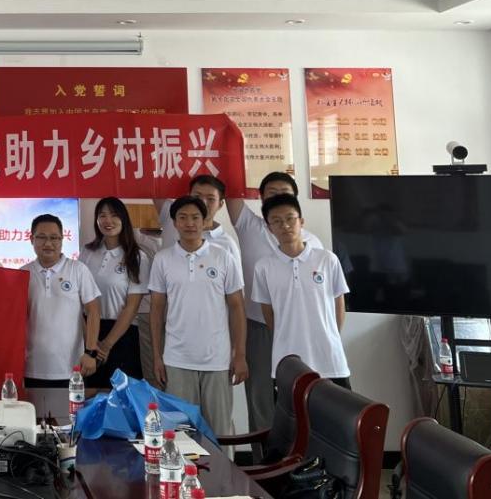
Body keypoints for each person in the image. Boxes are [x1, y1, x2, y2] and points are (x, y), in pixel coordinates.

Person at [225, 171, 324, 445]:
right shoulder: (250, 226)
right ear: (260, 198)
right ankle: (265, 461)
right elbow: (230, 192)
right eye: (271, 193)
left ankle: (301, 457)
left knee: (302, 395)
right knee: (261, 397)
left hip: (300, 330)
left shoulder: (313, 242)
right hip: (258, 327)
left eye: (285, 193)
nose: (278, 197)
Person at [149, 196, 247, 435]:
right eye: (182, 218)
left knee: (220, 432)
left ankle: (222, 464)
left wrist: (240, 355)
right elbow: (156, 309)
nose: (189, 223)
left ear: (205, 221)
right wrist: (157, 356)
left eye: (195, 217)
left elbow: (237, 307)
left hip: (217, 359)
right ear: (174, 223)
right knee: (180, 434)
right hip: (176, 359)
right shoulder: (163, 259)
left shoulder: (223, 256)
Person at [251, 193, 351, 389]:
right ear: (270, 228)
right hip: (287, 362)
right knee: (292, 410)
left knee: (339, 408)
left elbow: (338, 304)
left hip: (330, 361)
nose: (285, 225)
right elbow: (268, 313)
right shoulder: (263, 267)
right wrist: (285, 335)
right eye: (276, 221)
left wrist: (330, 336)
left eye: (290, 218)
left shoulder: (327, 259)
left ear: (301, 221)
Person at [22, 214, 101, 387]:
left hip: (72, 367)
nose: (48, 243)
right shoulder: (23, 273)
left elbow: (93, 311)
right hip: (32, 367)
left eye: (54, 238)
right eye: (41, 237)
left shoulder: (78, 269)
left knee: (72, 406)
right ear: (31, 239)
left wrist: (91, 352)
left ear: (62, 240)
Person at [81, 197, 151, 386]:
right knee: (88, 393)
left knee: (122, 395)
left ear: (123, 219)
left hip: (122, 334)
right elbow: (78, 299)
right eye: (102, 215)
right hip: (89, 333)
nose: (108, 221)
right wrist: (90, 341)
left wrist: (106, 345)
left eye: (113, 215)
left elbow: (131, 308)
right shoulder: (87, 252)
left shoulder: (137, 257)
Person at [158, 175, 239, 262]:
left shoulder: (227, 245)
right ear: (188, 197)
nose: (202, 202)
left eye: (210, 199)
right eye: (197, 197)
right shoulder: (171, 218)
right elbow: (153, 183)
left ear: (220, 204)